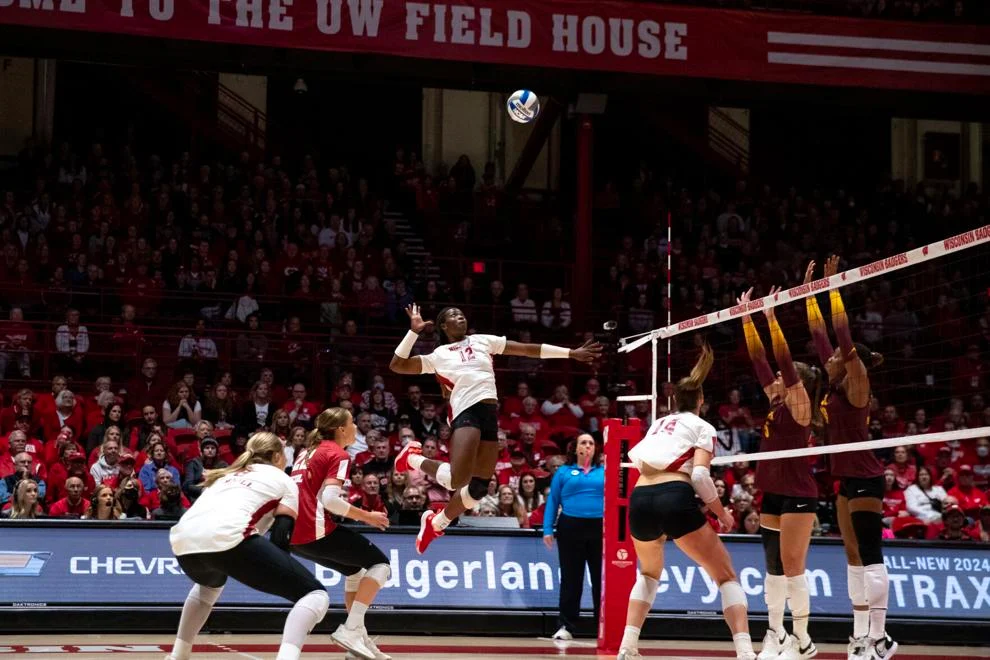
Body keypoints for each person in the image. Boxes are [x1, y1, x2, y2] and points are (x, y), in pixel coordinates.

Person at [389, 304, 600, 554]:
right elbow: (398, 365)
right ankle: (412, 458)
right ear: (444, 326)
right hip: (465, 411)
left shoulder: (483, 341)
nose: (460, 317)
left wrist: (571, 353)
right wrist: (413, 332)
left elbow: (526, 350)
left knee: (478, 487)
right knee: (459, 478)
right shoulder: (439, 355)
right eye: (453, 316)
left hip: (489, 412)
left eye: (462, 314)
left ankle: (436, 523)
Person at [617, 344, 755, 660]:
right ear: (701, 401)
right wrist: (723, 515)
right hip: (673, 497)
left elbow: (642, 463)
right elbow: (701, 479)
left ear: (673, 401)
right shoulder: (702, 427)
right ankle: (746, 652)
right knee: (725, 576)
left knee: (648, 574)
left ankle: (627, 647)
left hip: (640, 499)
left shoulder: (657, 425)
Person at [165, 432, 329, 660]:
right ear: (276, 456)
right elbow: (281, 535)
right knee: (315, 595)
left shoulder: (225, 475)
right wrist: (281, 572)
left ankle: (177, 655)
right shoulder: (284, 480)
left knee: (209, 587)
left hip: (182, 542)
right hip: (227, 538)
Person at [806, 257, 895, 660]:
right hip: (843, 477)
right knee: (852, 554)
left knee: (870, 552)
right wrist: (810, 294)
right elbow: (819, 334)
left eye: (838, 356)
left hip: (865, 475)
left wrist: (834, 286)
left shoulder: (857, 383)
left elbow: (839, 334)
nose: (829, 358)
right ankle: (860, 636)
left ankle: (880, 637)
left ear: (851, 358)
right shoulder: (835, 380)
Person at [738, 287, 821, 660]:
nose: (777, 383)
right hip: (773, 492)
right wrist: (745, 318)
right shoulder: (778, 400)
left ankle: (802, 639)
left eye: (785, 381)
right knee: (772, 567)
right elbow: (760, 362)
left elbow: (783, 361)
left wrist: (771, 318)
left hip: (799, 494)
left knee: (792, 566)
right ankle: (776, 634)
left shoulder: (802, 405)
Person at [289, 408, 392, 660]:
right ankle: (351, 629)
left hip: (293, 533)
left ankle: (359, 642)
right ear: (341, 430)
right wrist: (368, 516)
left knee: (355, 571)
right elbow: (330, 500)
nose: (356, 426)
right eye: (352, 422)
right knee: (381, 566)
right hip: (314, 528)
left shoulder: (307, 451)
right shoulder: (337, 453)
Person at [542, 433, 604, 641]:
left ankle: (603, 625)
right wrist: (548, 529)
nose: (587, 446)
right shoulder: (563, 472)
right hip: (570, 527)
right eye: (583, 442)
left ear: (596, 449)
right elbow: (553, 501)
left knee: (600, 580)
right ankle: (566, 626)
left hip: (600, 529)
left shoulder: (605, 472)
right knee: (571, 578)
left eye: (591, 443)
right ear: (575, 448)